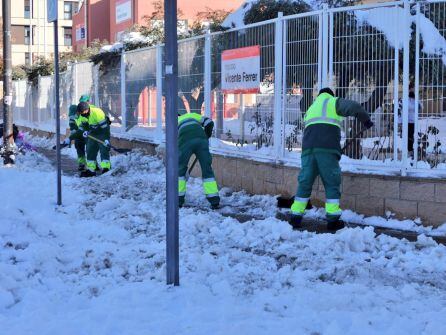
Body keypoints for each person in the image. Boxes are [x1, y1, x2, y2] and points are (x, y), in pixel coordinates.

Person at [289, 88, 373, 231]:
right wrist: (366, 120)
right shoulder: (332, 102)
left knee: (305, 182)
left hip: (308, 151)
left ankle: (295, 217)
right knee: (331, 182)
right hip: (326, 150)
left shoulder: (311, 108)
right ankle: (333, 220)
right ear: (330, 94)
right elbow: (354, 107)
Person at [178, 110, 219, 209]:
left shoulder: (173, 123)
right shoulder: (192, 115)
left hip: (185, 142)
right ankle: (214, 200)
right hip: (201, 141)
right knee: (207, 170)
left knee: (179, 171)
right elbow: (209, 122)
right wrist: (206, 135)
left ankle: (178, 200)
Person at [76, 101, 112, 177]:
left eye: (82, 112)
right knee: (90, 149)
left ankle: (106, 168)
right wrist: (84, 131)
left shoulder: (97, 113)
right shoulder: (82, 115)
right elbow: (82, 125)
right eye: (80, 113)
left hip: (102, 131)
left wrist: (105, 139)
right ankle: (91, 170)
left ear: (87, 109)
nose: (82, 114)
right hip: (92, 132)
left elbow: (104, 128)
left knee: (103, 148)